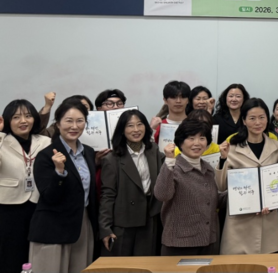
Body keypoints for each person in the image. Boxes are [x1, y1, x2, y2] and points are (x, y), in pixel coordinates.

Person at [29, 100, 98, 273]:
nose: (74, 126)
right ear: (58, 123)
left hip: (82, 224)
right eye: (68, 121)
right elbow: (49, 196)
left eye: (80, 121)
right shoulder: (46, 155)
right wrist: (59, 171)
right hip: (53, 227)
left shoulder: (88, 152)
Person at [216, 98, 278, 254]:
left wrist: (274, 204)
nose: (258, 122)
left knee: (267, 263)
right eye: (252, 118)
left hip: (267, 219)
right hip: (240, 221)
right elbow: (221, 186)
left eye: (262, 117)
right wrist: (223, 159)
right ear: (244, 120)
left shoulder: (276, 147)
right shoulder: (232, 147)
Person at [99, 109, 163, 256]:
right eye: (130, 125)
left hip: (149, 217)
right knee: (122, 264)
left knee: (146, 263)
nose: (136, 129)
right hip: (124, 221)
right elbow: (107, 195)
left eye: (140, 124)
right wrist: (105, 228)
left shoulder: (153, 150)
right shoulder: (112, 159)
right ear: (122, 130)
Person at [154, 118, 219, 256]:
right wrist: (169, 160)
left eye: (202, 138)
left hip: (207, 241)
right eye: (191, 138)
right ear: (180, 142)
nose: (197, 143)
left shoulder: (208, 169)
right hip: (179, 244)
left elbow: (212, 199)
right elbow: (162, 195)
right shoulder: (173, 168)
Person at [0, 100, 51, 273]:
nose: (23, 121)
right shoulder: (2, 141)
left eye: (28, 116)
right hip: (8, 206)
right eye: (16, 117)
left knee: (36, 253)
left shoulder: (45, 141)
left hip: (38, 204)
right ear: (7, 120)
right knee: (10, 253)